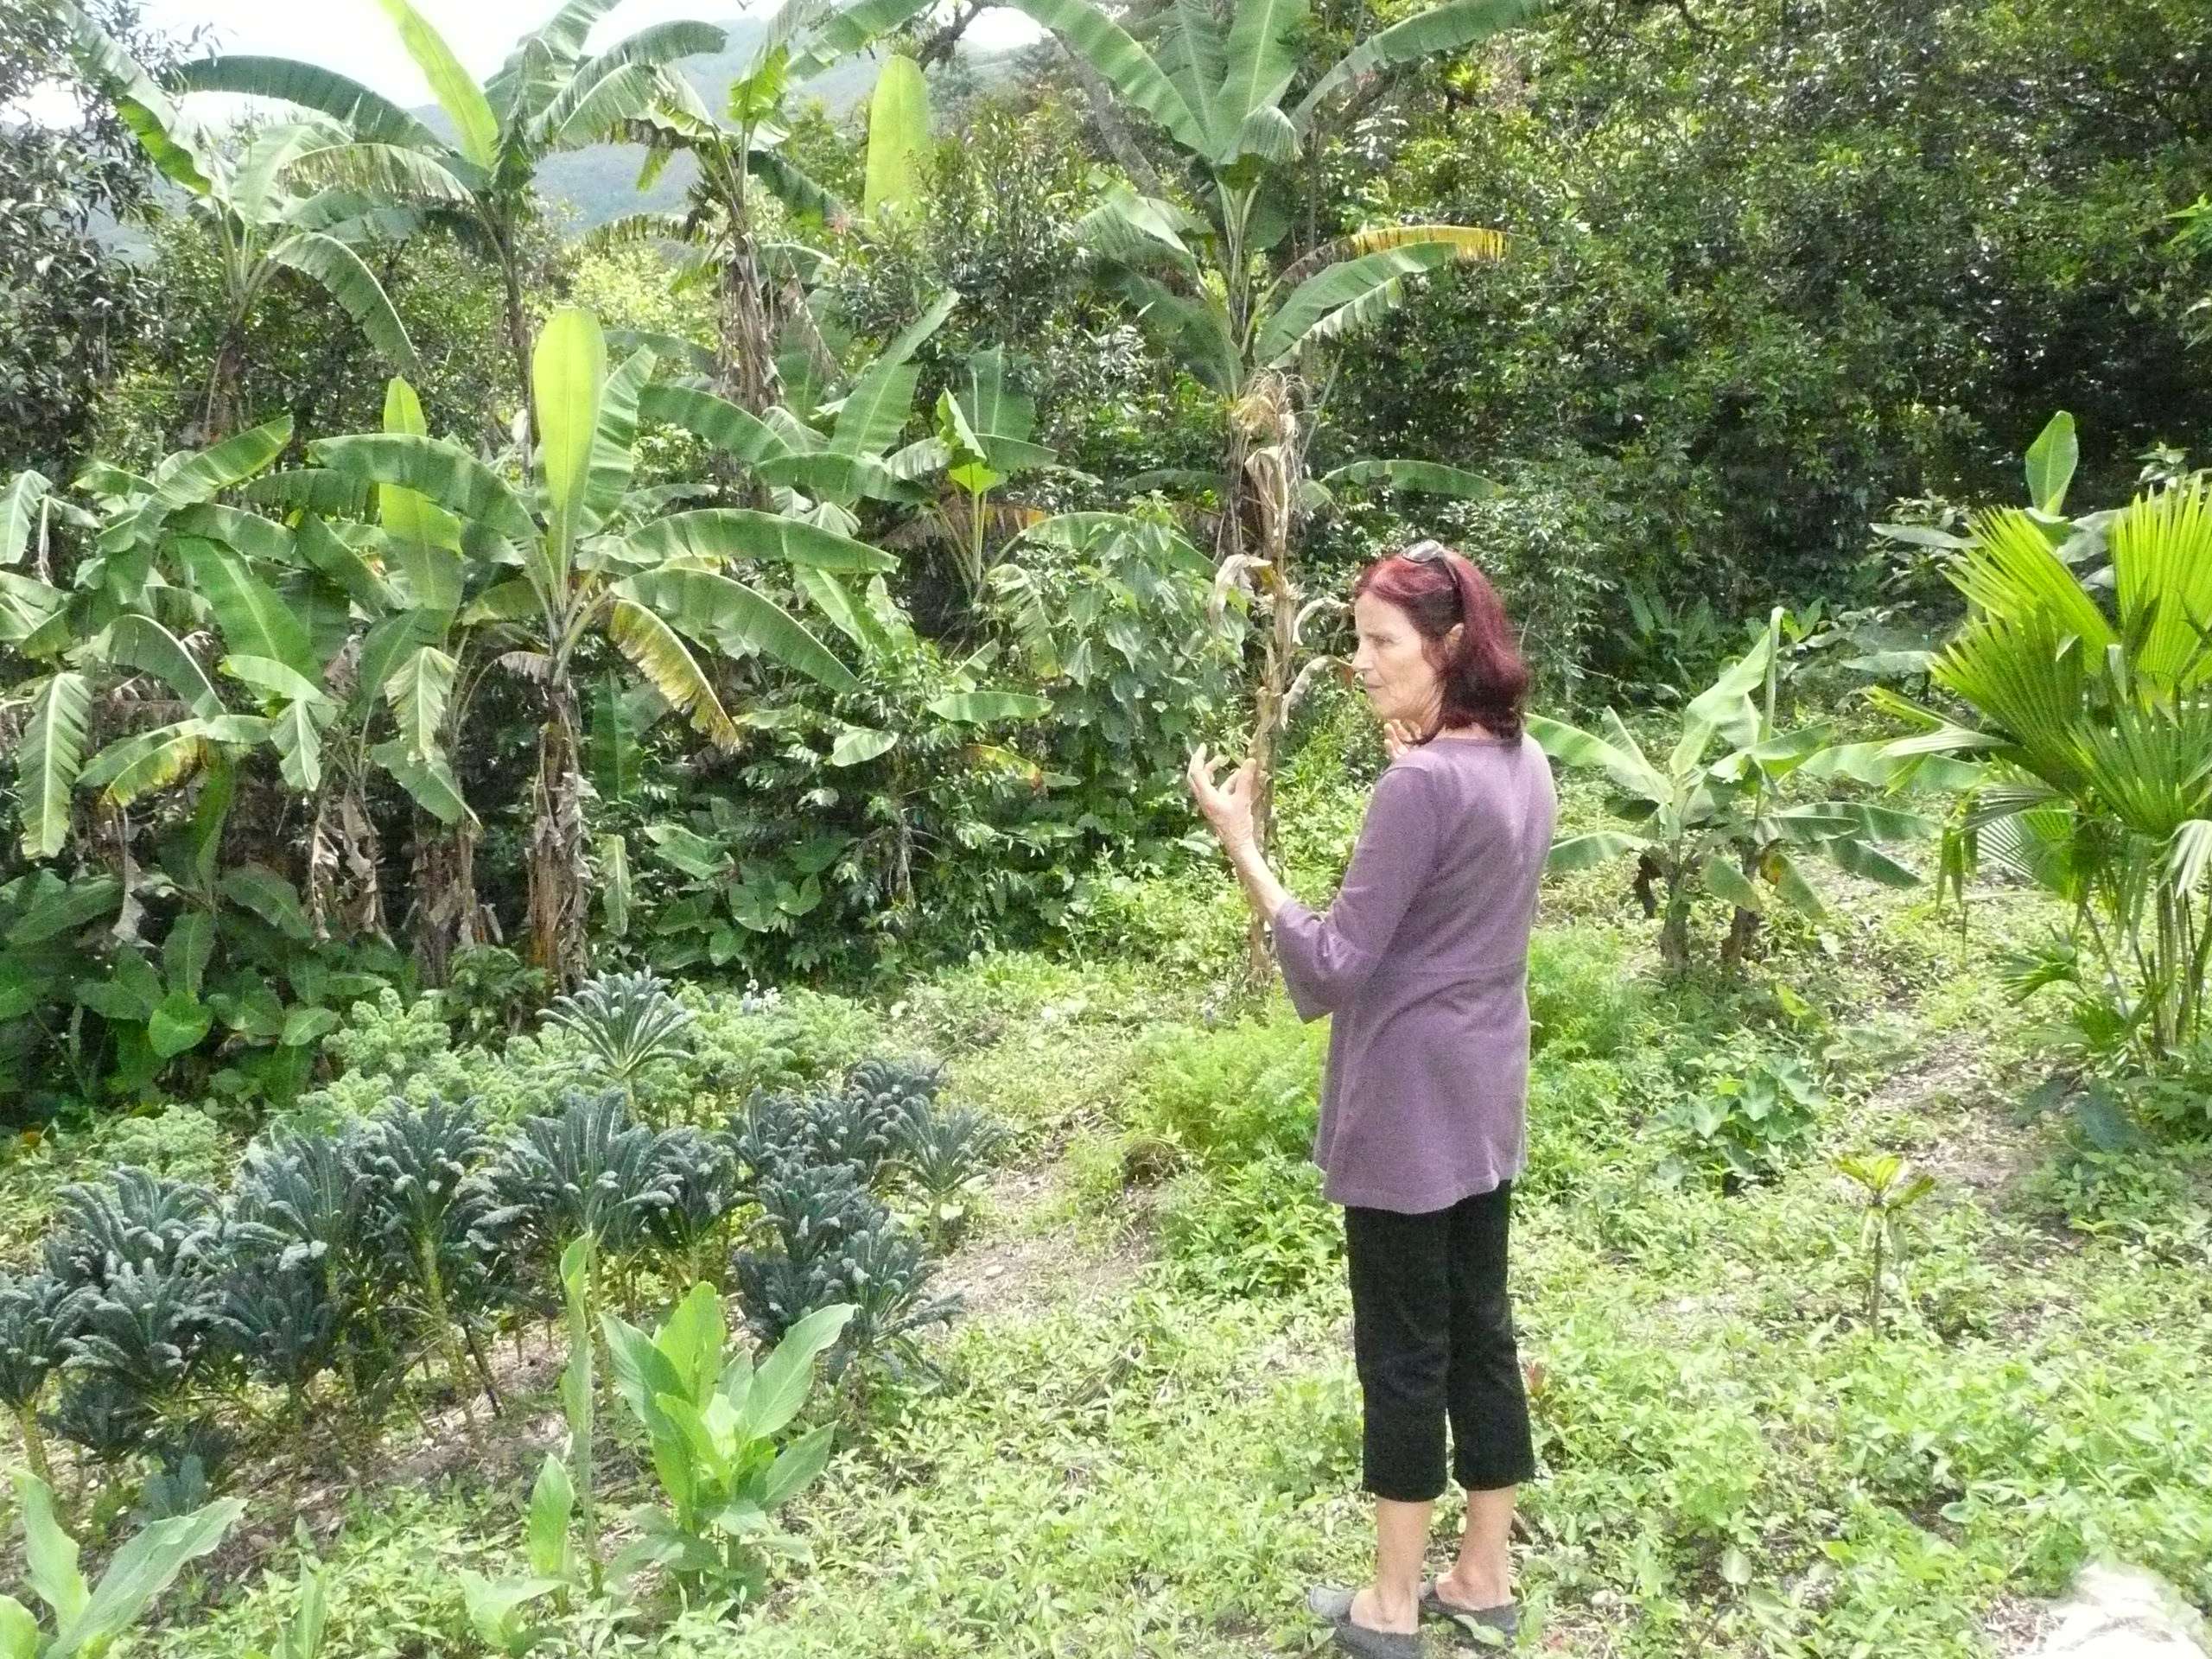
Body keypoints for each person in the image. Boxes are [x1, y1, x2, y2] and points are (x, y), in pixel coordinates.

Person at [1185, 540, 1555, 1658]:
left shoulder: (1421, 783)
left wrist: (1244, 847)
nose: (1360, 661)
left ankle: (1392, 1607)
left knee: (1401, 1352)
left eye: (1380, 642)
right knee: (1480, 1333)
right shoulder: (1520, 761)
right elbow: (1456, 883)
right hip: (1484, 1093)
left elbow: (1339, 959)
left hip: (1407, 1106)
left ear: (1446, 647)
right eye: (1357, 639)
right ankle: (1481, 1574)